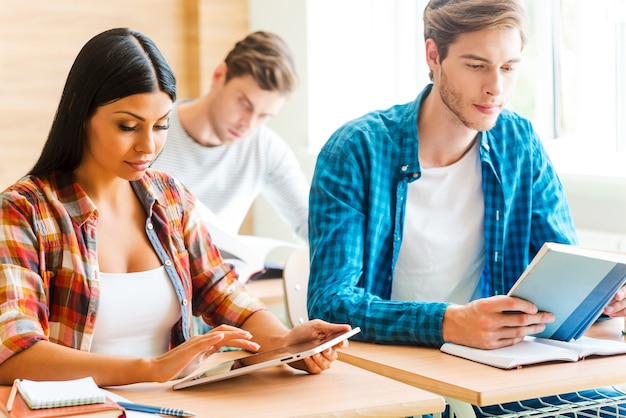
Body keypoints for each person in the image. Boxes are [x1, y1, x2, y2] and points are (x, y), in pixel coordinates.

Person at [307, 0, 626, 415]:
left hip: (498, 374)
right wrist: (449, 322)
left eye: (509, 67)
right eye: (477, 66)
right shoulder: (357, 149)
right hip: (397, 379)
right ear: (433, 56)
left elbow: (562, 266)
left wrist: (598, 298)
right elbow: (330, 303)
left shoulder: (519, 142)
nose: (496, 87)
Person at [0, 27, 350, 387]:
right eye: (128, 126)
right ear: (79, 112)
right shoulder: (23, 212)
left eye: (161, 125)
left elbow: (222, 292)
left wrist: (283, 343)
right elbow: (13, 353)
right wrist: (151, 369)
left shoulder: (170, 198)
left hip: (176, 407)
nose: (148, 146)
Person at [151, 30, 309, 242]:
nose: (249, 124)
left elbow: (310, 224)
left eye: (264, 116)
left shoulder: (265, 148)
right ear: (219, 75)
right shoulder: (154, 133)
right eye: (244, 104)